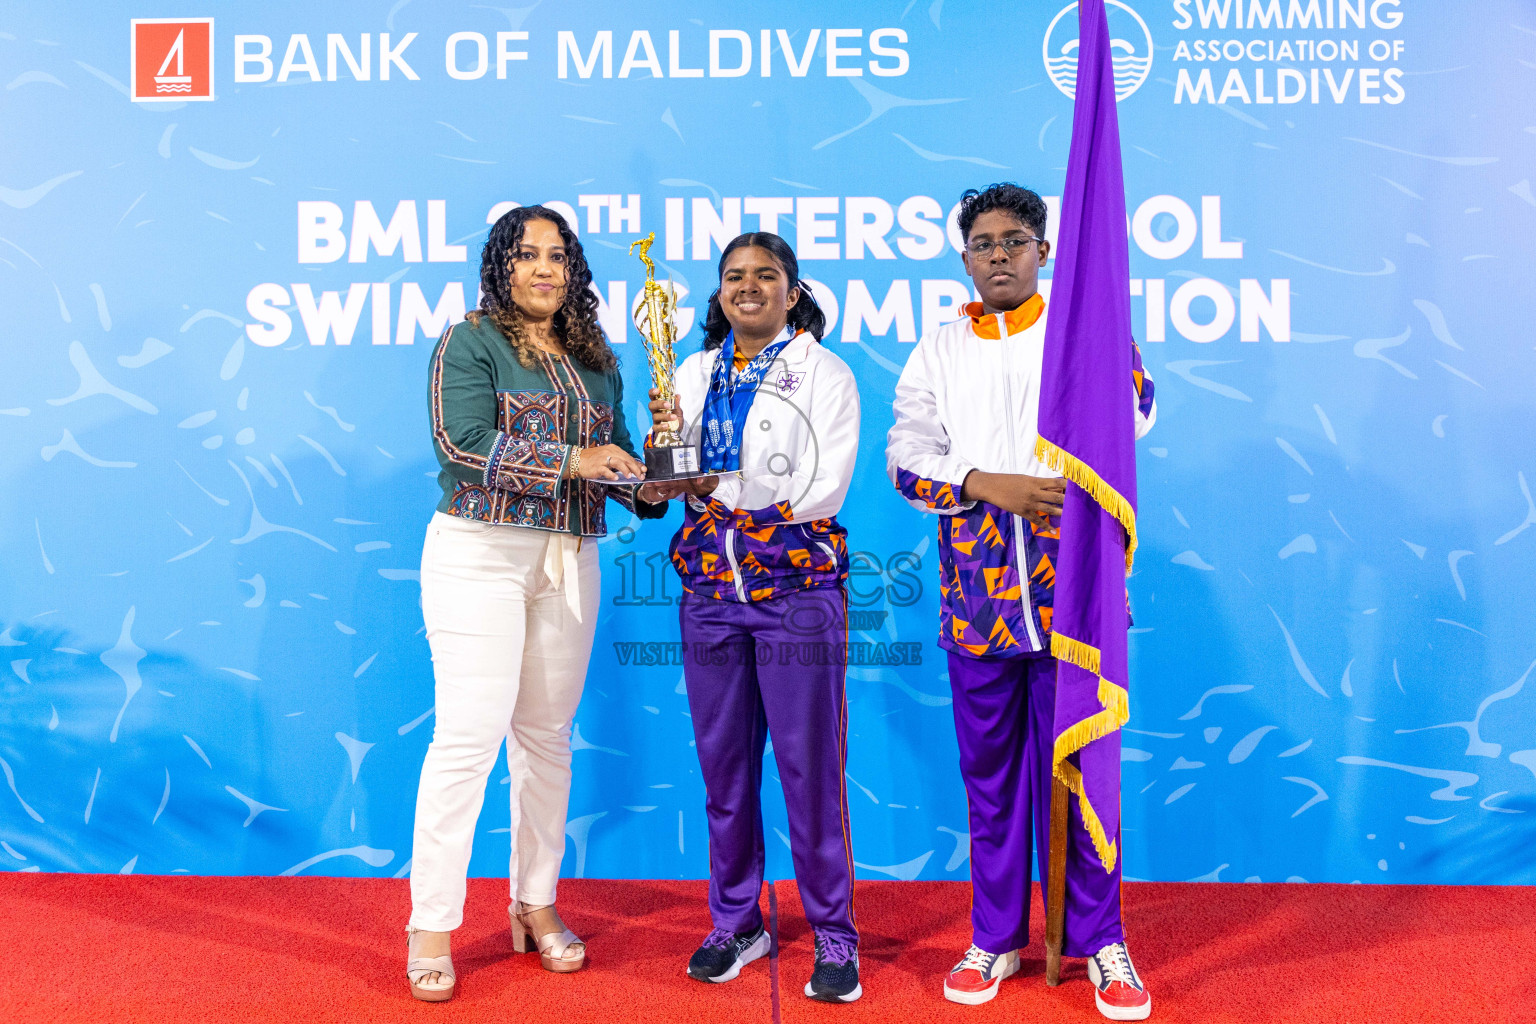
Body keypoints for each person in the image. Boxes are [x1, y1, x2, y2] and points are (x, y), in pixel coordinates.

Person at [885, 183, 1157, 1021]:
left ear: (1043, 250)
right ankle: (996, 935)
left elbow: (1138, 408)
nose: (998, 254)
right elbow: (904, 455)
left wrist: (1104, 370)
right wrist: (980, 482)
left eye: (1015, 240)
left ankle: (1100, 939)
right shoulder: (938, 348)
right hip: (979, 598)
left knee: (1084, 774)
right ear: (962, 256)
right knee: (994, 781)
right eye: (982, 242)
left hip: (1073, 596)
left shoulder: (1083, 335)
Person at [405, 206, 670, 1001]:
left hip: (572, 558)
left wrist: (655, 472)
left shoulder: (597, 357)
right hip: (479, 553)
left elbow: (615, 464)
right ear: (501, 266)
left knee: (547, 740)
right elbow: (461, 444)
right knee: (466, 738)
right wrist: (574, 458)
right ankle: (430, 924)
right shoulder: (470, 339)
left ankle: (536, 903)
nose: (545, 269)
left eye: (559, 256)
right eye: (527, 255)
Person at [644, 232, 864, 1003]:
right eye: (733, 277)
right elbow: (668, 482)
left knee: (810, 774)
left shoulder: (825, 374)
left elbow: (822, 487)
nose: (748, 287)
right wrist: (663, 457)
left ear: (792, 292)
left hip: (796, 596)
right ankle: (738, 921)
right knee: (725, 771)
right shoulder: (693, 373)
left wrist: (717, 490)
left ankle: (834, 932)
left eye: (764, 276)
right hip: (710, 594)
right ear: (717, 294)